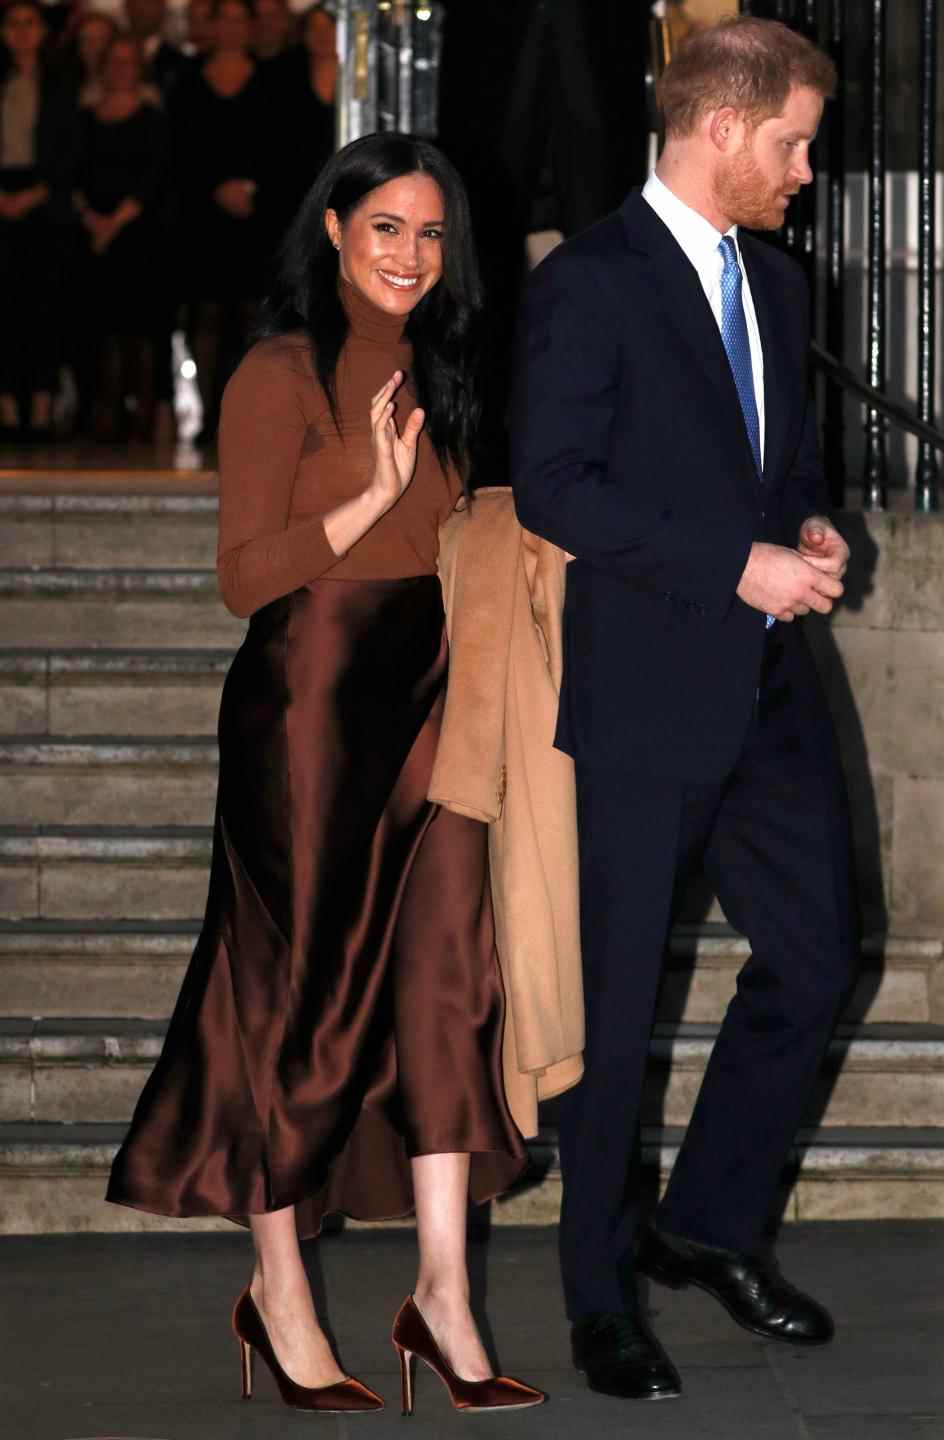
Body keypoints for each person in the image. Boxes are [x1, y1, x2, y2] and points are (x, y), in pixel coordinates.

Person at [106, 131, 544, 1418]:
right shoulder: (279, 373)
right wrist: (370, 496)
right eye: (387, 229)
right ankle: (280, 1290)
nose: (411, 255)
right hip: (305, 697)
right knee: (291, 986)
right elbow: (244, 577)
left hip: (434, 694)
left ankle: (444, 1295)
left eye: (431, 232)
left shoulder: (453, 368)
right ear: (336, 234)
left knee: (451, 976)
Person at [511, 16, 855, 1401]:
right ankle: (599, 1296)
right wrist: (734, 561)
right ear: (723, 126)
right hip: (647, 700)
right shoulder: (590, 282)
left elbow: (782, 467)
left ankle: (705, 1227)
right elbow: (555, 488)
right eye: (795, 143)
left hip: (773, 692)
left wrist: (812, 530)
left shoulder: (775, 284)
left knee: (819, 961)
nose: (808, 171)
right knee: (615, 1009)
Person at [169, 0, 268, 443]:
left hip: (258, 216)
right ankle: (207, 415)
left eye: (237, 19)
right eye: (222, 18)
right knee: (205, 317)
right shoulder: (187, 81)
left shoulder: (272, 78)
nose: (230, 28)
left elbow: (283, 145)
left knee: (252, 318)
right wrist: (215, 187)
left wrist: (252, 192)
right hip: (203, 217)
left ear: (250, 26)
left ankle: (249, 416)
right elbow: (178, 150)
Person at [73, 34, 169, 440]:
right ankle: (105, 416)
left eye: (128, 62)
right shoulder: (85, 116)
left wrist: (112, 224)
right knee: (102, 329)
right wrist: (92, 220)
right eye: (114, 61)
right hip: (94, 238)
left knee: (142, 331)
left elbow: (154, 178)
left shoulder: (153, 118)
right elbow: (73, 174)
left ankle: (143, 420)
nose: (120, 69)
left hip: (139, 239)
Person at [0, 0, 75, 441]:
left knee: (43, 305)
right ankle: (8, 409)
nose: (22, 32)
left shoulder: (60, 82)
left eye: (30, 23)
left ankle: (43, 407)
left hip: (46, 201)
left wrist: (36, 193)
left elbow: (70, 151)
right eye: (13, 23)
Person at [259, 0, 335, 255]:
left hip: (344, 187)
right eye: (315, 28)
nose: (323, 35)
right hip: (291, 194)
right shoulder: (280, 75)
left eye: (330, 27)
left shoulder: (361, 77)